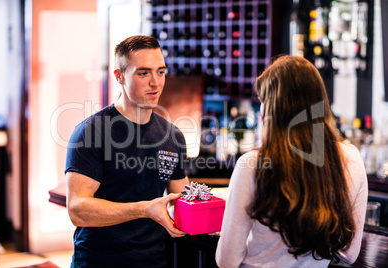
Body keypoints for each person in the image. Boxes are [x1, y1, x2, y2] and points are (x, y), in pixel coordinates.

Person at [215, 55, 368, 267]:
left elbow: (227, 261)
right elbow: (349, 253)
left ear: (274, 110)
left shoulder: (251, 165)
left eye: (263, 101)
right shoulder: (351, 159)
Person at [65, 35, 189, 267]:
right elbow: (77, 210)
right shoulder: (91, 132)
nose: (156, 82)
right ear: (119, 76)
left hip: (154, 260)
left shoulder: (172, 136)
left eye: (160, 71)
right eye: (143, 73)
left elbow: (181, 199)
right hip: (98, 261)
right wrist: (145, 209)